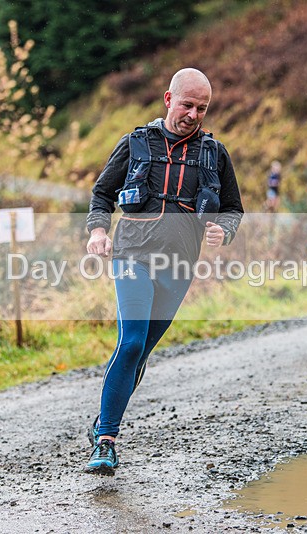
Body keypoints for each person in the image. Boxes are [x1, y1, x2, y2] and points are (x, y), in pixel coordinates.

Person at [84, 68, 243, 475]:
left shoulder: (214, 153)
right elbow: (102, 193)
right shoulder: (136, 143)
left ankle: (103, 420)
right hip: (133, 255)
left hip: (179, 264)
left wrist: (222, 230)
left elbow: (233, 208)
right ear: (169, 100)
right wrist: (98, 230)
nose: (194, 114)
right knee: (133, 340)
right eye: (188, 105)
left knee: (141, 351)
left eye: (202, 108)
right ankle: (106, 442)